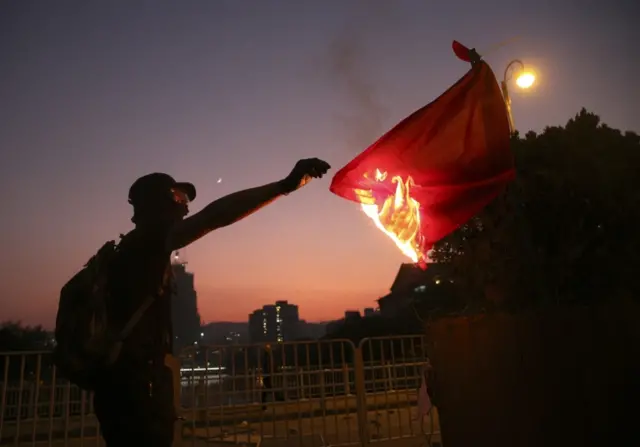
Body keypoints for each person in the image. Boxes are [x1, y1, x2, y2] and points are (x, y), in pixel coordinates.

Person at [92, 158, 331, 446]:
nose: (186, 205)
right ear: (157, 204)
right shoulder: (147, 240)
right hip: (134, 388)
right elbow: (214, 216)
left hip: (127, 384)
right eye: (178, 197)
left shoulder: (132, 248)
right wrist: (284, 186)